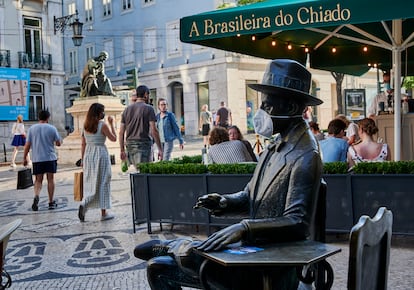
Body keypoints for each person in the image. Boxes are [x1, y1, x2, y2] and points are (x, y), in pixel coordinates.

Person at [133, 59, 324, 290]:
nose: (262, 112)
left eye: (268, 105)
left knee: (161, 267)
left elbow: (297, 222)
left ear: (292, 108)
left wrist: (244, 227)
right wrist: (224, 202)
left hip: (274, 264)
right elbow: (249, 195)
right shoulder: (276, 144)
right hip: (257, 250)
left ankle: (179, 247)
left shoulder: (305, 154)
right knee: (157, 266)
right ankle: (180, 247)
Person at [78, 103, 117, 222]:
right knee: (104, 181)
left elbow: (83, 144)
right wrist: (112, 124)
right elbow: (114, 139)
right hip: (101, 154)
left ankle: (85, 204)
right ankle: (103, 213)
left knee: (91, 182)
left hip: (89, 155)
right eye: (102, 111)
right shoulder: (102, 125)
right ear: (98, 113)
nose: (103, 114)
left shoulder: (85, 126)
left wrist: (83, 159)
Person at [23, 110, 62, 211]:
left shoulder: (32, 129)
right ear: (48, 118)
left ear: (38, 117)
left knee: (38, 180)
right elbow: (58, 143)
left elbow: (27, 145)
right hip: (50, 158)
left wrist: (24, 158)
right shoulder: (52, 128)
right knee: (50, 179)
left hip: (37, 158)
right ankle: (51, 202)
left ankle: (36, 195)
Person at [119, 85, 163, 171]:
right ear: (146, 94)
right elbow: (154, 130)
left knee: (139, 171)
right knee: (144, 173)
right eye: (148, 95)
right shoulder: (149, 109)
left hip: (130, 145)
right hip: (143, 144)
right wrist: (160, 149)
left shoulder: (127, 109)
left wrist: (122, 150)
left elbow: (121, 132)